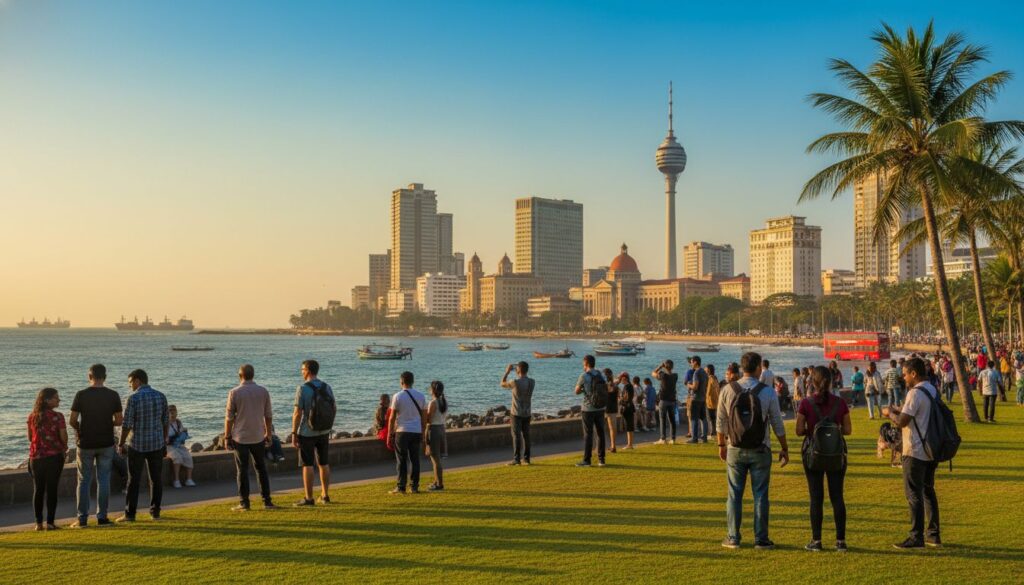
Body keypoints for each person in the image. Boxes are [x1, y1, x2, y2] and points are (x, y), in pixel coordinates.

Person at [717, 352, 789, 550]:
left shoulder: (728, 389)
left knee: (734, 494)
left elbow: (721, 422)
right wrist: (784, 447)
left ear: (742, 368)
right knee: (761, 494)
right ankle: (761, 539)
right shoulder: (768, 392)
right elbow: (777, 423)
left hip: (734, 448)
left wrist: (721, 445)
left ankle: (733, 537)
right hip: (761, 449)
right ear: (758, 368)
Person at [887, 357, 943, 549]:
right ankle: (933, 535)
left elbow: (902, 422)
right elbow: (918, 414)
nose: (903, 378)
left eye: (905, 374)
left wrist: (890, 414)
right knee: (928, 491)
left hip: (915, 449)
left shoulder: (914, 393)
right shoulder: (932, 389)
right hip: (931, 448)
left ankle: (916, 537)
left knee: (913, 494)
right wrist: (900, 410)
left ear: (913, 374)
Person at [796, 366, 852, 552]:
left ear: (812, 382)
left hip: (814, 454)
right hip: (836, 453)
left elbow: (798, 430)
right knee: (837, 497)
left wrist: (812, 430)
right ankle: (840, 541)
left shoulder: (806, 403)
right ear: (831, 382)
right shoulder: (840, 403)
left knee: (816, 497)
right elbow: (847, 430)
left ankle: (816, 540)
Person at [68, 363, 122, 528]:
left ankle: (82, 519)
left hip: (86, 443)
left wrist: (79, 429)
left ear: (89, 376)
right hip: (106, 443)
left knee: (83, 480)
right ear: (105, 377)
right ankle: (102, 517)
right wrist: (106, 423)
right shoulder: (113, 395)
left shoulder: (81, 395)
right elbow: (119, 420)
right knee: (103, 479)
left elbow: (72, 420)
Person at [117, 369, 169, 522]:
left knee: (133, 480)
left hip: (137, 445)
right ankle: (155, 513)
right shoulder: (161, 396)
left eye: (130, 382)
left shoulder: (133, 398)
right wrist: (164, 440)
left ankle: (130, 514)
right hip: (157, 444)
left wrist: (121, 442)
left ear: (137, 380)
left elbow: (127, 424)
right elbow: (165, 421)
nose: (130, 386)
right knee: (156, 479)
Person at [225, 364, 276, 511]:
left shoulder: (234, 392)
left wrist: (227, 436)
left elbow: (229, 418)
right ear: (253, 375)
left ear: (240, 376)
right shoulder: (263, 391)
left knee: (242, 470)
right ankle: (267, 501)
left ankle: (244, 503)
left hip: (240, 437)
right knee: (261, 469)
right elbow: (268, 415)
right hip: (258, 436)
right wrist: (268, 434)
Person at [291, 359, 334, 505]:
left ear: (308, 371)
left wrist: (294, 433)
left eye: (303, 369)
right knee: (324, 463)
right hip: (324, 431)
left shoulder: (302, 388)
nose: (301, 372)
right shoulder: (327, 387)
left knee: (308, 464)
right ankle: (325, 495)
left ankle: (309, 498)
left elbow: (297, 413)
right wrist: (328, 425)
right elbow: (334, 408)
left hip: (307, 432)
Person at [27, 388, 67, 531]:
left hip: (36, 458)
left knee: (38, 489)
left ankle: (38, 524)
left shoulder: (32, 416)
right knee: (52, 490)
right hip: (54, 457)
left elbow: (30, 437)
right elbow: (63, 437)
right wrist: (64, 446)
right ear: (47, 400)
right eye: (56, 397)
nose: (59, 400)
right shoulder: (58, 416)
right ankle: (50, 523)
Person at [388, 371, 426, 493]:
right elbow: (424, 417)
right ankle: (414, 486)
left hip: (402, 431)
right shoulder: (421, 396)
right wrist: (423, 431)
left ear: (401, 382)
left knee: (402, 460)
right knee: (415, 460)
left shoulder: (397, 396)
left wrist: (389, 433)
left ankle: (401, 486)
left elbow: (392, 417)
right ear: (413, 381)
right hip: (416, 431)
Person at [574, 355, 607, 466]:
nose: (583, 366)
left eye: (583, 364)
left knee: (588, 434)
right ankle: (601, 460)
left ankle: (587, 460)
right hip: (600, 407)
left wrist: (584, 389)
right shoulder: (601, 374)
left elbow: (576, 391)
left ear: (586, 363)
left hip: (588, 408)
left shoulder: (584, 376)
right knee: (601, 433)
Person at [501, 362, 535, 465]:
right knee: (526, 435)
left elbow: (502, 384)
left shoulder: (514, 382)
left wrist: (507, 372)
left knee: (516, 436)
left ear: (518, 370)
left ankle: (517, 459)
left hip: (516, 412)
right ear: (527, 370)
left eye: (517, 369)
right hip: (527, 412)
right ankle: (527, 459)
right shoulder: (532, 382)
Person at [425, 381, 447, 491]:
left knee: (435, 459)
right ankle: (436, 481)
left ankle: (439, 484)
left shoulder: (433, 403)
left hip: (433, 429)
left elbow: (428, 420)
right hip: (441, 428)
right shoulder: (443, 401)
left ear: (433, 390)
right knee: (436, 458)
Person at [166, 405, 195, 488]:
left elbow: (181, 432)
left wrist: (184, 433)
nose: (172, 414)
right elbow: (164, 439)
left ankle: (189, 479)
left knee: (188, 457)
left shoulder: (178, 422)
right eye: (170, 411)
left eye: (174, 411)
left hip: (178, 444)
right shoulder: (165, 423)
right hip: (169, 446)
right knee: (177, 458)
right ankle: (176, 480)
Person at [652, 360, 677, 445]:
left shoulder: (663, 375)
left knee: (662, 419)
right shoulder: (675, 376)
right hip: (672, 400)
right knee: (672, 420)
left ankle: (663, 439)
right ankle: (673, 439)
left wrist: (660, 366)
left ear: (665, 367)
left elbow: (653, 373)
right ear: (672, 367)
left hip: (663, 400)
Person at [686, 356, 708, 443]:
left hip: (696, 398)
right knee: (703, 418)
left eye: (691, 362)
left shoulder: (696, 373)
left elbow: (695, 387)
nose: (691, 364)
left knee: (694, 418)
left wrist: (689, 385)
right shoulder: (704, 372)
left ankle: (694, 438)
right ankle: (704, 437)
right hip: (703, 398)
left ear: (695, 362)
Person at [618, 373, 636, 449]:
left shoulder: (627, 386)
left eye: (621, 379)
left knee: (629, 426)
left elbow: (626, 398)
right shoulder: (630, 386)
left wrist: (620, 399)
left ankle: (629, 444)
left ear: (625, 379)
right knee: (629, 426)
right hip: (630, 407)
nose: (620, 380)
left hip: (627, 408)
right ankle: (630, 444)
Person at [603, 368, 619, 453]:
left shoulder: (608, 385)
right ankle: (613, 445)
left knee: (611, 428)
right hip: (614, 406)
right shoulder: (614, 384)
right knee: (612, 427)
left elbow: (610, 390)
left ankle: (613, 446)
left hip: (609, 407)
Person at [706, 364, 720, 437]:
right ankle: (713, 431)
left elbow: (710, 390)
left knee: (710, 417)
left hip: (710, 401)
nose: (705, 370)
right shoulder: (715, 378)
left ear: (708, 370)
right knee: (713, 417)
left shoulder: (711, 378)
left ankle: (712, 432)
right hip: (714, 400)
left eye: (706, 369)